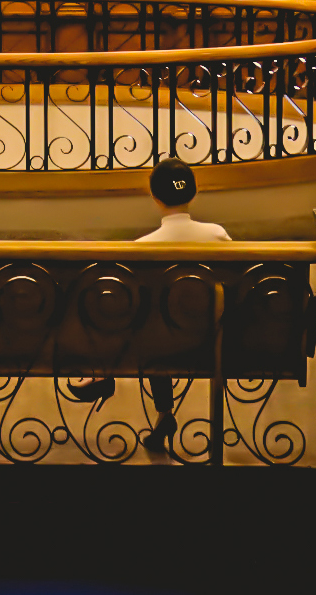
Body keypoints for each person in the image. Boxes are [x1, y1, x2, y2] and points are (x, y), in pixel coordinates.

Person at [66, 158, 230, 455]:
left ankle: (106, 373)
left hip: (160, 345)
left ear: (154, 197)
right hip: (213, 341)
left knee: (151, 318)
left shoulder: (144, 246)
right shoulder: (217, 235)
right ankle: (163, 417)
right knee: (166, 319)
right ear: (193, 194)